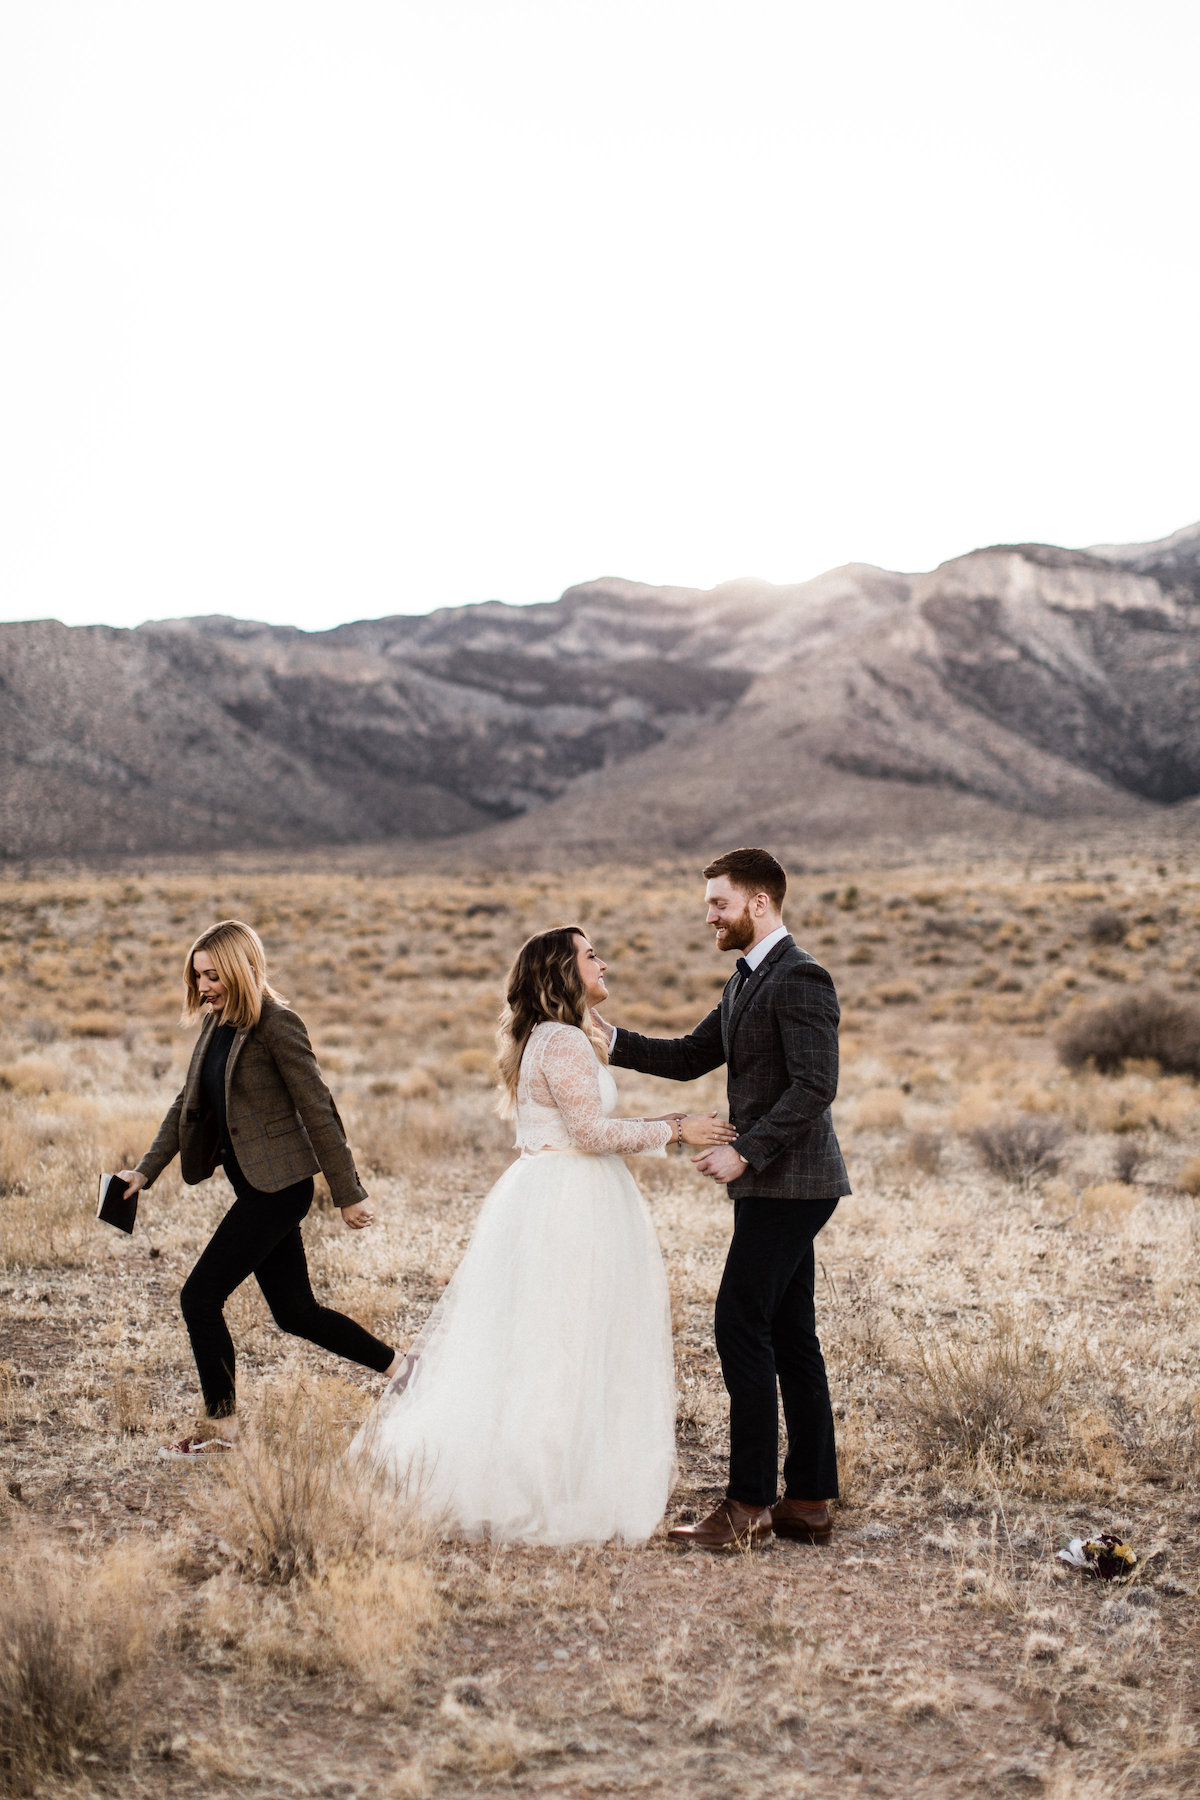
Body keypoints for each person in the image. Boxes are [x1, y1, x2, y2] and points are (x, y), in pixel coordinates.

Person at [352, 925, 735, 1545]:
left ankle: (552, 1467)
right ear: (563, 972)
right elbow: (589, 1132)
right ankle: (545, 1483)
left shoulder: (558, 1035)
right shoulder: (560, 1040)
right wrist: (674, 1127)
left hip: (558, 1191)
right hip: (570, 1201)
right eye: (591, 957)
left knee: (553, 1334)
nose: (604, 963)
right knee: (563, 1337)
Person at [593, 847, 849, 1551]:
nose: (708, 915)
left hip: (793, 1184)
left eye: (718, 903)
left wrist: (746, 1149)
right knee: (791, 1334)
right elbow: (684, 1055)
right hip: (776, 1185)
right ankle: (807, 1502)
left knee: (741, 1323)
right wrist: (604, 1037)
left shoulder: (800, 978)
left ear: (758, 904)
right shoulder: (745, 982)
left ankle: (745, 1506)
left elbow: (815, 1087)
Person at [118, 919, 400, 1459]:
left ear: (242, 968)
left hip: (280, 1188)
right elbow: (187, 1102)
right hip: (254, 1187)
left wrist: (348, 1193)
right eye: (198, 976)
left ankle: (222, 1432)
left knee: (198, 1298)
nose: (204, 987)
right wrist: (144, 1171)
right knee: (296, 1313)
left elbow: (319, 1109)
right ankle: (404, 1370)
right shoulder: (216, 1021)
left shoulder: (278, 1024)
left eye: (213, 975)